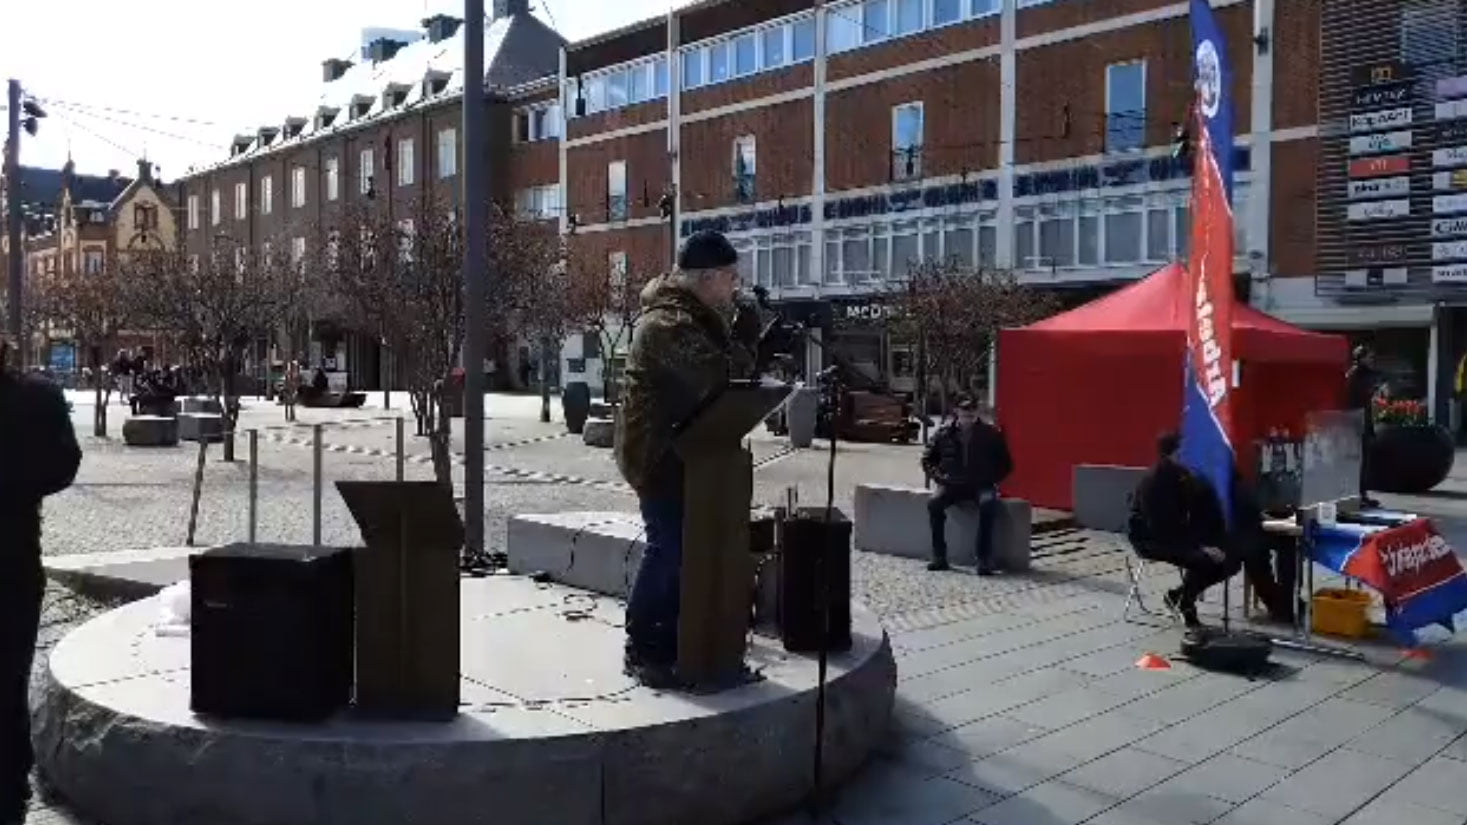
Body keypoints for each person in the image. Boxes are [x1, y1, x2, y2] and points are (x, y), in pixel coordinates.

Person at [614, 230, 763, 687]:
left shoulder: (695, 317)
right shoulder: (667, 324)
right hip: (658, 455)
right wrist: (747, 335)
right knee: (670, 549)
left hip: (693, 454)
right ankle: (644, 646)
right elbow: (718, 375)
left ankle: (689, 643)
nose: (736, 287)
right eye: (731, 278)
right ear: (708, 277)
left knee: (692, 549)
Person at [0, 335, 82, 824]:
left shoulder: (36, 397)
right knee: (8, 681)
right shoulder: (38, 398)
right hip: (12, 560)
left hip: (12, 563)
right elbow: (63, 464)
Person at [1127, 432, 1235, 631]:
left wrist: (1213, 542)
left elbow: (1199, 511)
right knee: (1205, 560)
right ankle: (1186, 604)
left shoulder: (1182, 474)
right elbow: (1164, 527)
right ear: (1174, 453)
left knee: (1230, 561)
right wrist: (1201, 547)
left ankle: (1178, 596)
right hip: (1152, 540)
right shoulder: (1156, 481)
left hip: (1176, 536)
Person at [920, 397, 1013, 574]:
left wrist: (991, 479)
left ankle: (983, 559)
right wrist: (940, 478)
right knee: (934, 504)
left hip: (981, 485)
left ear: (977, 413)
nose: (968, 416)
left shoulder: (990, 434)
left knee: (988, 504)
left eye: (971, 412)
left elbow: (1006, 463)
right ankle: (939, 556)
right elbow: (927, 459)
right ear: (957, 412)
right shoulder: (944, 433)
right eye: (964, 412)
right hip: (951, 484)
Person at [1345, 345, 1381, 507]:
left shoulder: (1367, 374)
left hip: (1364, 420)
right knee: (1357, 460)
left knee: (1364, 460)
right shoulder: (1355, 375)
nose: (1371, 360)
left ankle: (1362, 493)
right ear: (1360, 358)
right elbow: (1353, 397)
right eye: (1369, 357)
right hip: (1356, 421)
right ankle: (1356, 493)